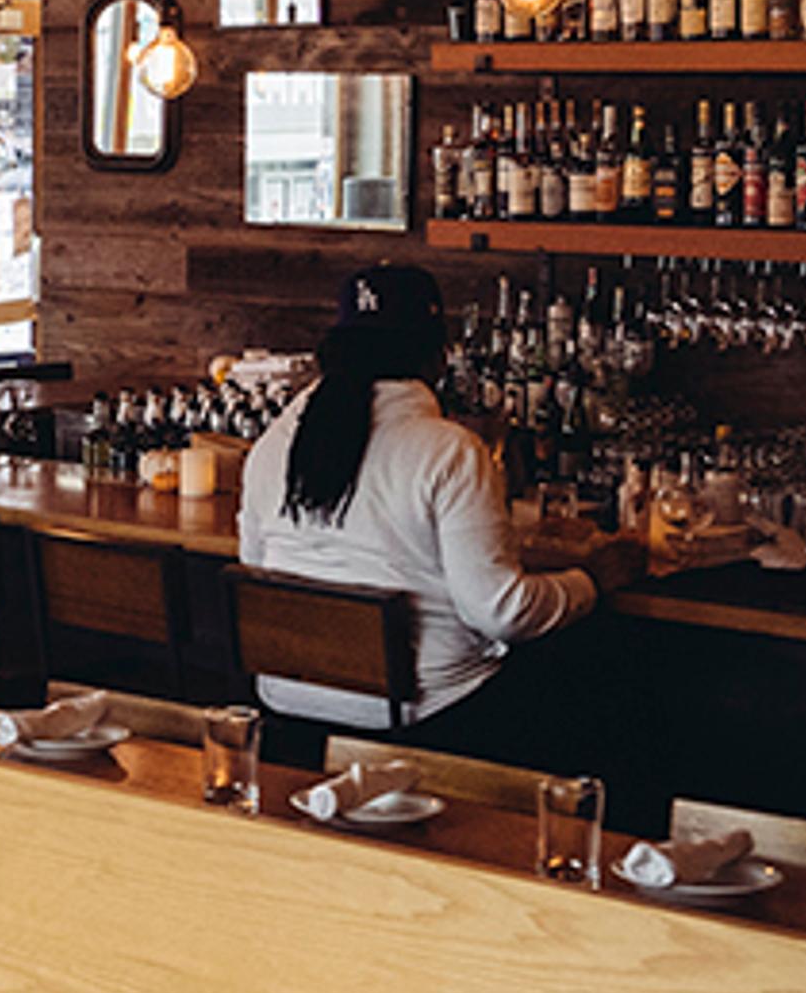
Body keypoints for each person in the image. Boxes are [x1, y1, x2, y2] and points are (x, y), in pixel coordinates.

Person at [233, 265, 649, 794]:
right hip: (427, 719)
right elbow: (499, 612)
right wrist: (590, 579)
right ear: (438, 356)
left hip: (287, 711)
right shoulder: (448, 449)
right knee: (616, 685)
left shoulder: (276, 439)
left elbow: (255, 565)